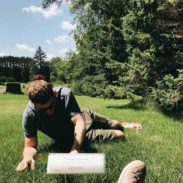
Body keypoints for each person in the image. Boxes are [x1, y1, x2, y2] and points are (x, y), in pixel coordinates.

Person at [16, 80, 142, 172]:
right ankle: (120, 129)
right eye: (43, 110)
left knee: (114, 124)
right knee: (119, 136)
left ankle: (126, 124)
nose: (49, 111)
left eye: (51, 106)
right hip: (82, 134)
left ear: (54, 94)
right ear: (34, 104)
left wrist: (75, 149)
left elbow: (79, 122)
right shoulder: (29, 115)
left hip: (84, 117)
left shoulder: (65, 94)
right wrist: (27, 157)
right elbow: (30, 145)